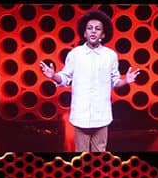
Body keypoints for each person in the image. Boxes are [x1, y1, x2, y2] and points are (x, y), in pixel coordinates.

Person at [39, 8, 140, 152]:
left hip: (102, 116)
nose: (93, 31)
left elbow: (115, 82)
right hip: (81, 116)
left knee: (100, 155)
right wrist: (53, 75)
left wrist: (126, 81)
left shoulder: (110, 56)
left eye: (97, 29)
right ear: (84, 33)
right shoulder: (75, 54)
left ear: (103, 34)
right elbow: (65, 78)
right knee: (82, 156)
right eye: (90, 28)